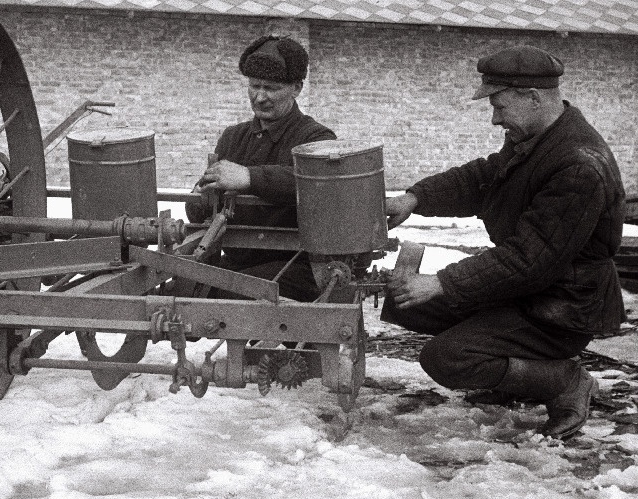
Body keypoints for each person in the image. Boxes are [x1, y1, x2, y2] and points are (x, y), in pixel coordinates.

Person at [383, 45, 626, 439]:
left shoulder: (578, 164)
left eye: (499, 106)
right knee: (405, 301)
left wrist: (442, 282)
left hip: (560, 307)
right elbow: (483, 178)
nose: (495, 119)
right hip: (529, 291)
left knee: (447, 358)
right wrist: (415, 198)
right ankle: (514, 376)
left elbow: (531, 259)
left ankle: (563, 380)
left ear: (533, 99)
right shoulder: (536, 139)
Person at [185, 35, 337, 302]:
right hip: (239, 261)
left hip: (297, 265)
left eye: (272, 87)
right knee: (182, 287)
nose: (260, 97)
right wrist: (202, 197)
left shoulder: (316, 138)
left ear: (297, 88)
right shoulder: (233, 137)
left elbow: (317, 183)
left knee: (226, 296)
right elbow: (202, 210)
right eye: (254, 86)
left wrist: (249, 177)